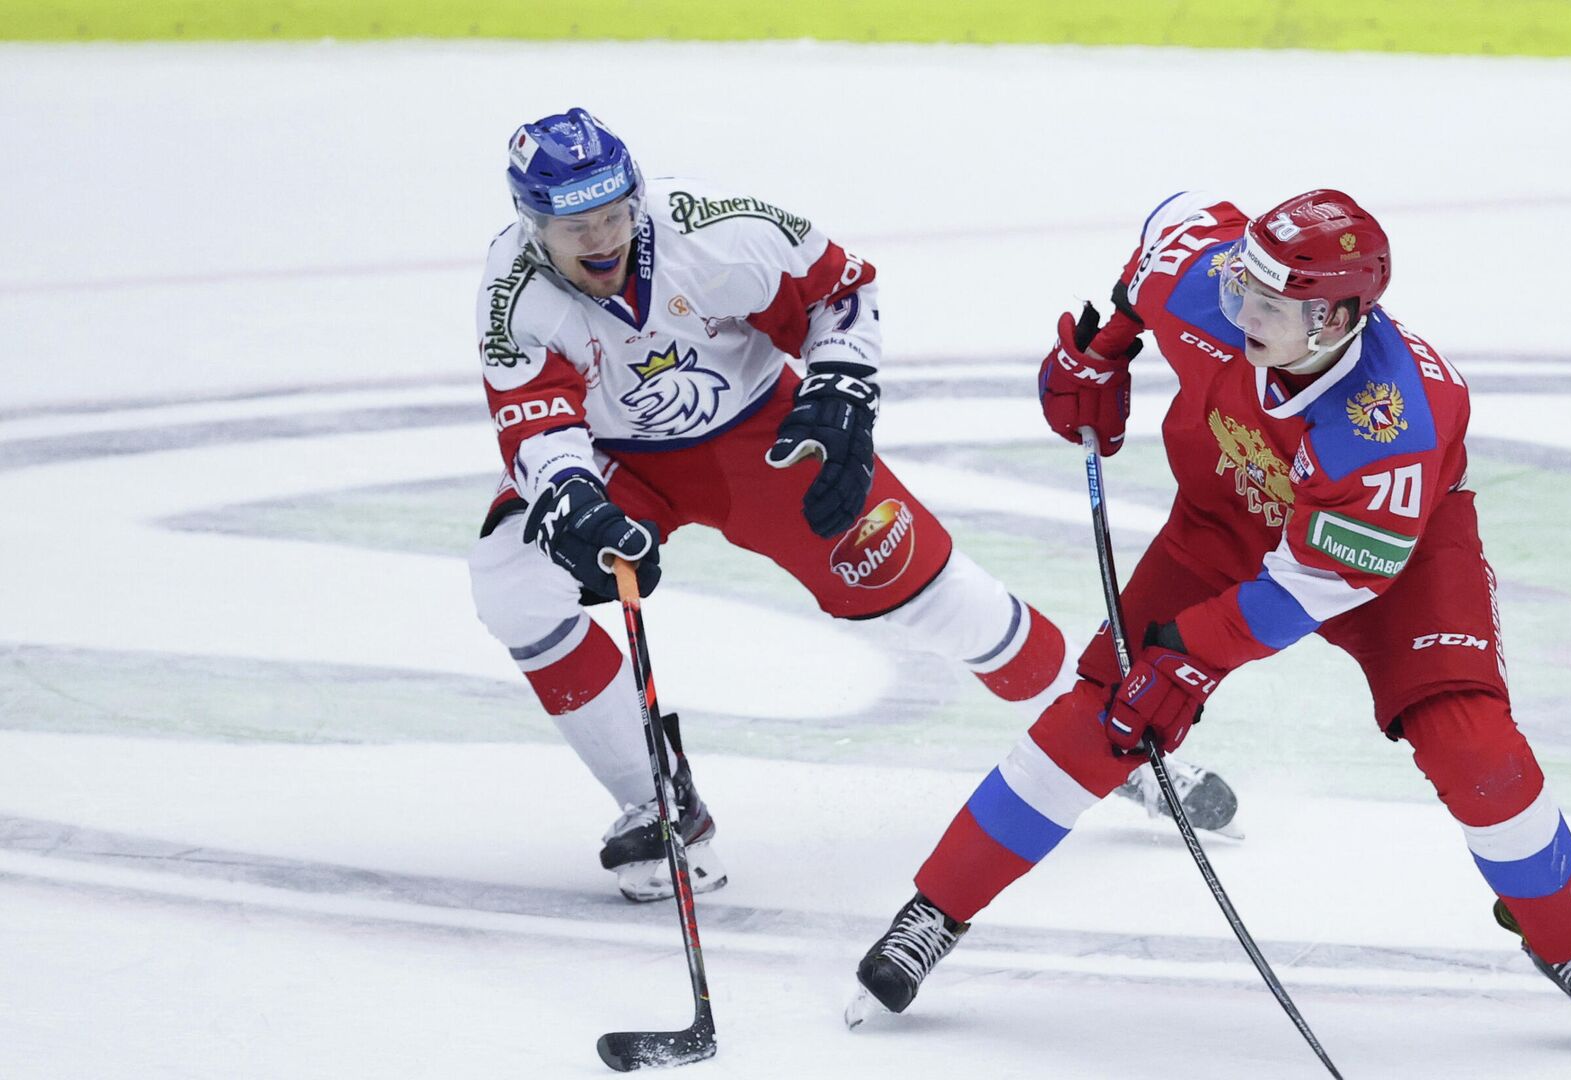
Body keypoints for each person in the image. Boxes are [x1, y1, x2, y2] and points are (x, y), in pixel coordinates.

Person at [851, 189, 1571, 1050]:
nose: (1240, 310)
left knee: (1472, 743)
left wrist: (1189, 658)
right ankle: (935, 912)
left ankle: (1570, 942)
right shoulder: (1211, 285)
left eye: (1269, 306)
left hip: (1398, 568)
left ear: (1341, 317)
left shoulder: (1389, 427)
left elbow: (1309, 587)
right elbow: (1169, 231)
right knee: (1109, 709)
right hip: (1222, 526)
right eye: (1242, 286)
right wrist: (1105, 350)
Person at [465, 109, 1241, 904]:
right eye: (575, 227)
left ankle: (1116, 745)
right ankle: (660, 805)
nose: (602, 239)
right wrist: (573, 499)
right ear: (532, 226)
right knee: (509, 580)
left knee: (952, 605)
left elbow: (842, 290)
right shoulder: (513, 293)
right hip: (615, 458)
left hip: (765, 436)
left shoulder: (717, 232)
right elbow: (536, 420)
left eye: (614, 214)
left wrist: (839, 385)